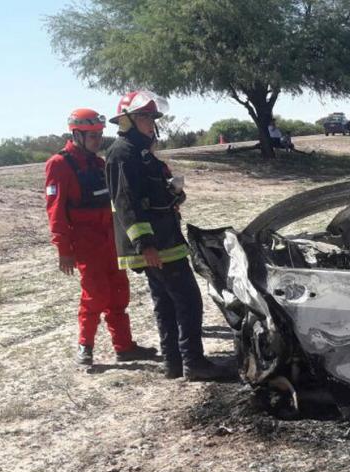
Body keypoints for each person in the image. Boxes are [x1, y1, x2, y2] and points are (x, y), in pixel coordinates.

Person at [104, 90, 227, 381]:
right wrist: (144, 244)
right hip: (155, 245)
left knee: (167, 303)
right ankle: (193, 362)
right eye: (145, 116)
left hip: (166, 240)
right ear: (128, 120)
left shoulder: (143, 153)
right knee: (188, 301)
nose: (151, 122)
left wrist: (174, 194)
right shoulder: (123, 153)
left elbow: (151, 195)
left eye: (152, 116)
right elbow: (126, 203)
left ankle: (173, 364)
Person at [44, 108, 156, 367]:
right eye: (91, 135)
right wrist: (63, 249)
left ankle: (124, 347)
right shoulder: (59, 164)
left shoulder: (98, 163)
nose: (97, 139)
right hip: (86, 242)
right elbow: (55, 209)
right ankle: (86, 345)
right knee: (95, 294)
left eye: (99, 134)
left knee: (119, 293)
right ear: (76, 134)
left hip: (111, 239)